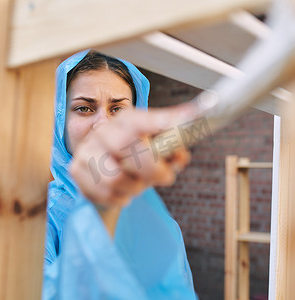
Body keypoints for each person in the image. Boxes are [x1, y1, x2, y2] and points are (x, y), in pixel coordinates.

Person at [42, 50, 198, 300]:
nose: (103, 124)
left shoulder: (164, 227)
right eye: (83, 108)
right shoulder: (34, 220)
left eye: (117, 110)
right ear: (59, 120)